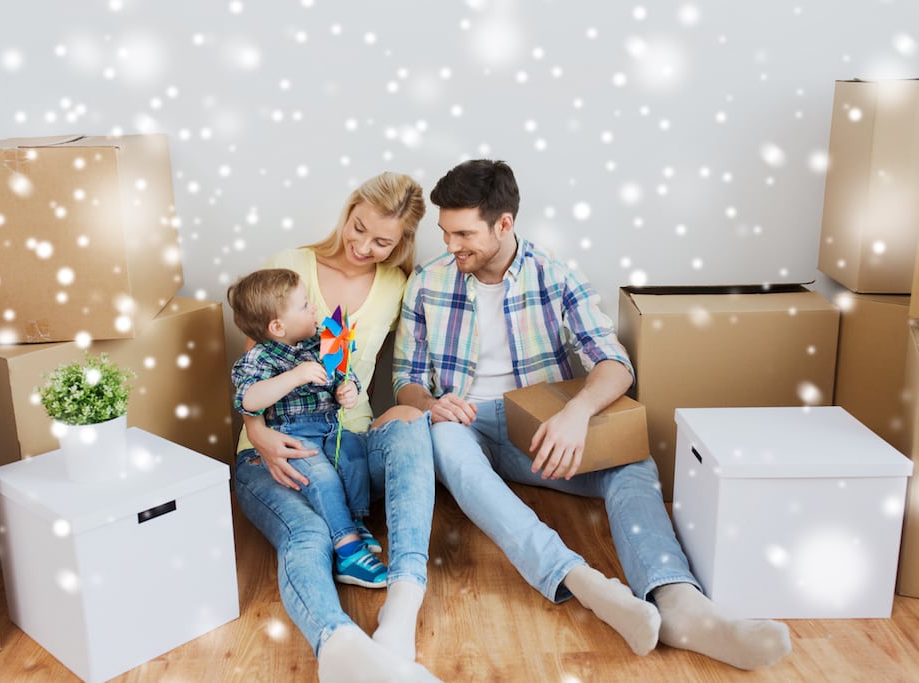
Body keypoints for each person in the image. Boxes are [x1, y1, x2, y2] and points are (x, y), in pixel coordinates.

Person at [393, 159, 792, 671]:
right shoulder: (427, 282)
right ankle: (583, 582)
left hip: (540, 432)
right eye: (445, 233)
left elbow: (614, 363)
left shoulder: (555, 275)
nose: (450, 246)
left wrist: (576, 414)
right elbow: (404, 381)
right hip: (464, 427)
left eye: (463, 234)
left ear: (505, 224)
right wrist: (430, 403)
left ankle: (680, 605)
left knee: (633, 463)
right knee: (444, 440)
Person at [231, 172, 441, 683]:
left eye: (382, 241)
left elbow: (411, 363)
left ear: (402, 243)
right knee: (307, 536)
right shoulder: (290, 265)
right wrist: (255, 431)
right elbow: (254, 367)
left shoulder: (398, 285)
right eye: (359, 227)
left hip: (351, 440)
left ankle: (402, 604)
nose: (364, 246)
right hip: (278, 444)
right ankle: (339, 646)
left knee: (412, 428)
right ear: (349, 210)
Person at [228, 267, 388, 588]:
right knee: (324, 479)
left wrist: (348, 391)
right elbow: (249, 399)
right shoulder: (259, 359)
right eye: (305, 305)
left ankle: (354, 521)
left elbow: (344, 374)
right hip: (293, 436)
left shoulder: (320, 342)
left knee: (354, 456)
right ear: (277, 326)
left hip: (329, 427)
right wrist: (297, 375)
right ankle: (347, 550)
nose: (314, 308)